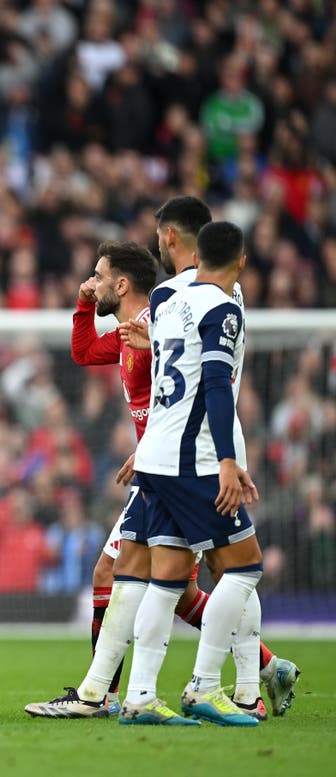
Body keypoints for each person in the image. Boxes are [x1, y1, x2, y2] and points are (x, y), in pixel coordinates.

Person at [123, 196, 299, 717]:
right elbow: (217, 385)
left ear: (196, 256)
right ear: (241, 262)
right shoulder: (224, 307)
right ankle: (205, 684)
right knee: (243, 568)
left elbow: (164, 378)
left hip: (156, 453)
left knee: (169, 577)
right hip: (194, 459)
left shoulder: (167, 300)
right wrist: (226, 459)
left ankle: (139, 697)